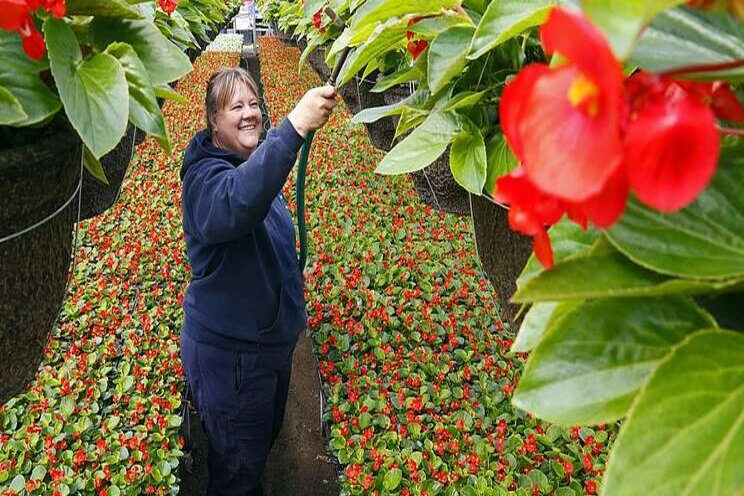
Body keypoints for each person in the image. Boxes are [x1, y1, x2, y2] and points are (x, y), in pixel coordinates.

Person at [178, 67, 336, 495]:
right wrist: (294, 127)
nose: (250, 114)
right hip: (233, 361)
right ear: (213, 121)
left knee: (252, 455)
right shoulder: (204, 182)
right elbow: (237, 202)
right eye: (235, 107)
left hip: (265, 350)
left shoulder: (249, 161)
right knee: (237, 472)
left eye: (254, 104)